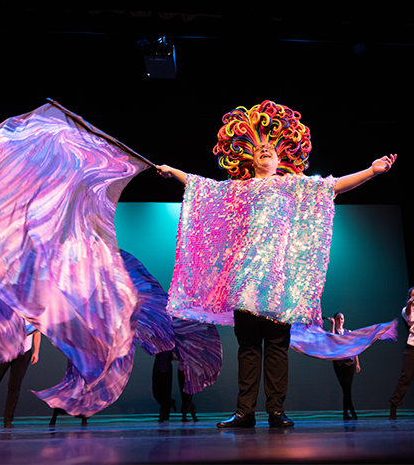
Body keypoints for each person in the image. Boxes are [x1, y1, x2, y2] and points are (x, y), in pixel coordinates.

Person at [156, 100, 397, 428]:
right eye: (258, 149)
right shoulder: (239, 190)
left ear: (279, 159)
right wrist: (174, 173)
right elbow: (204, 188)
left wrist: (371, 171)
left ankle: (275, 411)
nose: (264, 150)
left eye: (270, 148)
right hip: (246, 283)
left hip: (279, 285)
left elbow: (334, 185)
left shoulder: (292, 187)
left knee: (277, 348)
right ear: (251, 159)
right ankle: (244, 413)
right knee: (249, 348)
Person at [327, 313, 361, 420]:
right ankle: (349, 411)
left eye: (341, 318)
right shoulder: (332, 331)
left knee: (347, 388)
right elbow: (332, 339)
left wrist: (358, 363)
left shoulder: (348, 332)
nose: (339, 320)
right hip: (338, 364)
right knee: (345, 388)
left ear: (344, 320)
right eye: (337, 319)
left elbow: (354, 348)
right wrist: (332, 325)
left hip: (349, 363)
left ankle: (347, 413)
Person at [152, 349, 199, 423]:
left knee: (187, 394)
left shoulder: (177, 345)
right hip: (162, 369)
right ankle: (172, 405)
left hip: (185, 370)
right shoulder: (162, 344)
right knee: (156, 393)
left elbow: (177, 355)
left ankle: (185, 415)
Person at [389, 286, 414, 420]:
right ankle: (394, 405)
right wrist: (411, 302)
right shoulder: (406, 310)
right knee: (406, 378)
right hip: (412, 346)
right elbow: (410, 319)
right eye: (412, 295)